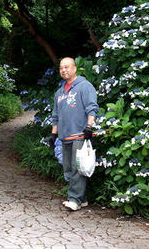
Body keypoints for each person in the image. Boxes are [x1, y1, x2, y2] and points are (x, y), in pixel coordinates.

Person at [49, 57, 99, 211]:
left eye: (67, 67)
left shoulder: (84, 86)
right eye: (61, 68)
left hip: (80, 134)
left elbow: (92, 107)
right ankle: (82, 199)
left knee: (77, 168)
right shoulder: (59, 92)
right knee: (68, 169)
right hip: (65, 136)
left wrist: (89, 127)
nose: (64, 70)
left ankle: (74, 199)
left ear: (74, 68)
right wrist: (53, 135)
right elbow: (56, 115)